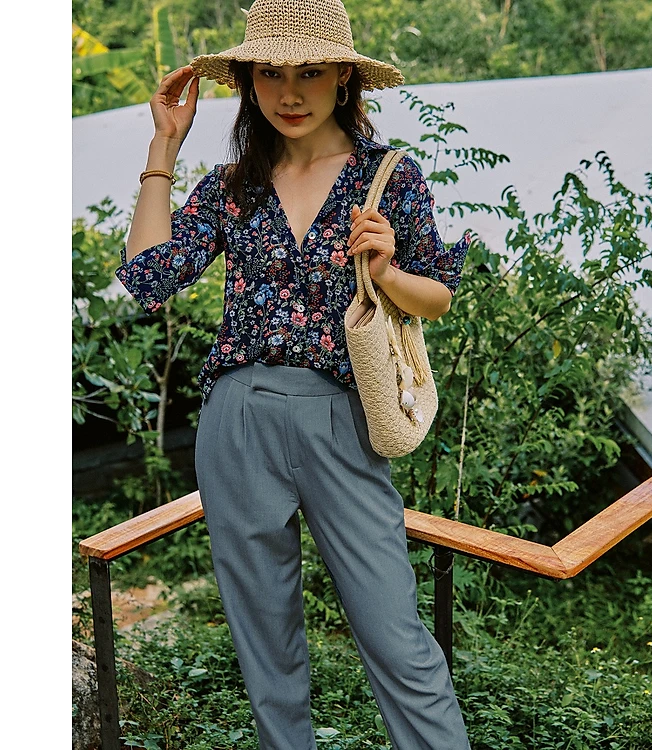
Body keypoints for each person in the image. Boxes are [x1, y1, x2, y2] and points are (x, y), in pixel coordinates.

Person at [115, 0, 471, 747]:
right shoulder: (233, 185)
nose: (289, 93)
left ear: (343, 76)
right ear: (248, 82)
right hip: (237, 418)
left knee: (395, 633)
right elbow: (149, 276)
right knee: (265, 643)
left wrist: (386, 270)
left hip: (342, 416)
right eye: (270, 74)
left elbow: (436, 297)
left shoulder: (388, 178)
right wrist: (164, 147)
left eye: (309, 72)